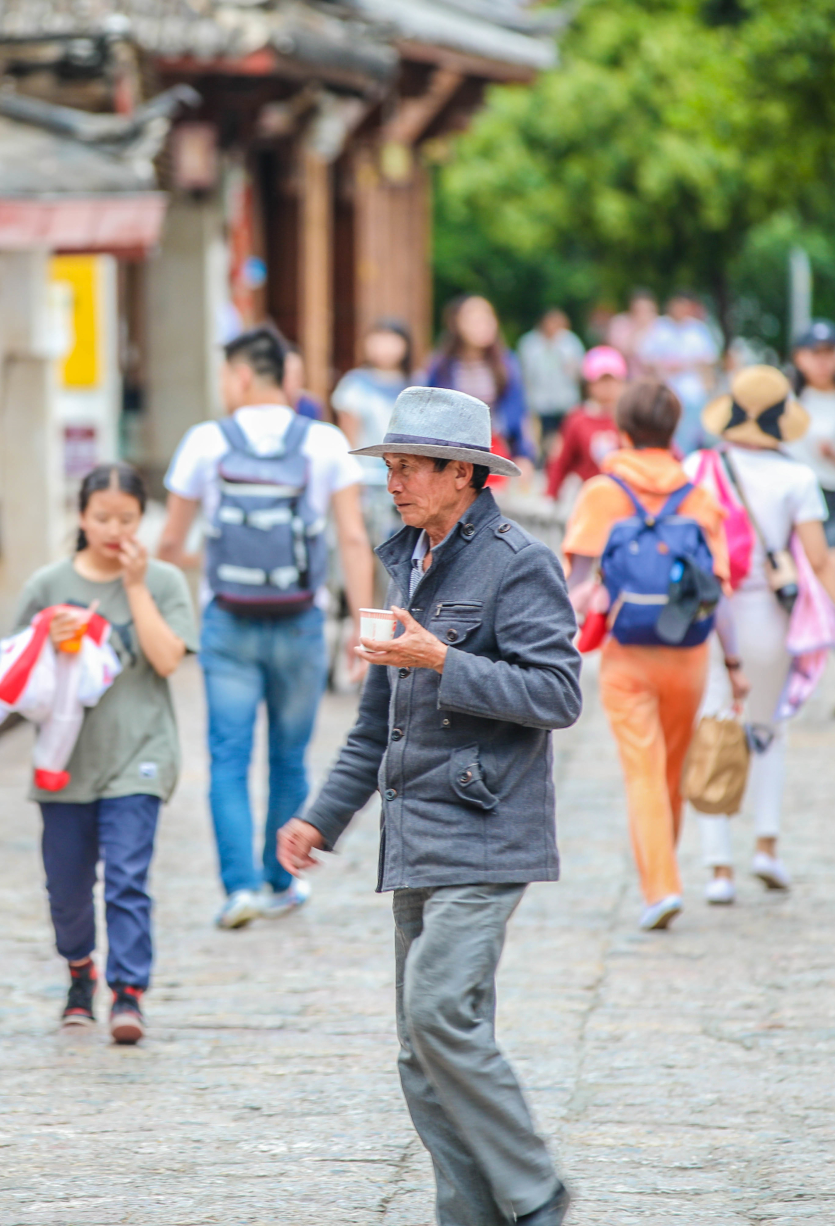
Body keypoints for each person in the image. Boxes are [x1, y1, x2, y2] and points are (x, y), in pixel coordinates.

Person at [278, 385, 579, 1226]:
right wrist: (320, 817)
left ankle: (535, 1192)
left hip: (490, 827)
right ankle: (473, 1215)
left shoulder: (520, 560)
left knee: (438, 1010)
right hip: (415, 833)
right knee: (421, 1051)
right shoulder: (406, 555)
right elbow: (378, 719)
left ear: (463, 475)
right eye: (390, 466)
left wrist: (444, 658)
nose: (394, 481)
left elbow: (557, 694)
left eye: (409, 467)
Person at [159, 326, 374, 930]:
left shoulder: (205, 441)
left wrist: (215, 563)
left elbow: (171, 544)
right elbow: (352, 538)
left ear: (243, 376)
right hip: (301, 620)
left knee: (227, 757)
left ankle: (240, 890)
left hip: (228, 620)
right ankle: (282, 881)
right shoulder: (326, 442)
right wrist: (361, 624)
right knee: (289, 757)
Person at [16, 464, 198, 1046]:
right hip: (63, 761)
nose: (114, 528)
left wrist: (137, 587)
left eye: (126, 518)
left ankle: (127, 993)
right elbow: (16, 677)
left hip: (141, 753)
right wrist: (50, 635)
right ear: (80, 516)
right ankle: (78, 974)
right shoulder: (47, 585)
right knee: (66, 888)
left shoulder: (164, 581)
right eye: (102, 518)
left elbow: (168, 659)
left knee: (126, 877)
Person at [686, 367, 835, 903]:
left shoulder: (699, 466)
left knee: (712, 725)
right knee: (767, 731)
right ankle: (766, 846)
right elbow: (819, 560)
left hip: (708, 613)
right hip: (769, 617)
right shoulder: (798, 478)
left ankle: (719, 869)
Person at [562, 380, 732, 931]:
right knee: (672, 770)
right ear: (674, 431)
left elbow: (578, 580)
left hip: (628, 654)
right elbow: (719, 586)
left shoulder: (602, 492)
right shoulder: (700, 497)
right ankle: (665, 874)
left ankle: (660, 887)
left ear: (624, 431)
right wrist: (735, 663)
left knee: (642, 771)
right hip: (688, 652)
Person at [332, 318, 418, 548]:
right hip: (368, 478)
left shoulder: (415, 384)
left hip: (409, 476)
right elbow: (348, 436)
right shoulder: (355, 384)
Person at [424, 294, 536, 469]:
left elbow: (518, 414)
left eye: (487, 318)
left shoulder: (506, 364)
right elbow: (429, 413)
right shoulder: (442, 366)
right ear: (457, 323)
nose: (483, 325)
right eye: (474, 319)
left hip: (495, 448)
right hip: (451, 451)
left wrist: (523, 455)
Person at [786, 322, 835, 599]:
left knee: (833, 563)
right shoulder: (788, 399)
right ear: (800, 358)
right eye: (816, 353)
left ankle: (834, 627)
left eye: (829, 353)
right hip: (793, 492)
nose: (823, 362)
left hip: (831, 494)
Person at [639, 292, 724, 454]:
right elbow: (646, 357)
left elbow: (709, 361)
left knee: (691, 435)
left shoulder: (697, 329)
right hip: (666, 391)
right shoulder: (659, 327)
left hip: (692, 394)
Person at [544, 345, 627, 500]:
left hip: (625, 499)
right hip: (587, 498)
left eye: (613, 380)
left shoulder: (631, 418)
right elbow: (561, 462)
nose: (608, 386)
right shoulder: (577, 419)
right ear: (589, 384)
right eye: (602, 380)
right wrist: (550, 496)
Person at [516, 308, 586, 456]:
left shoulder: (570, 342)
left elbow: (580, 372)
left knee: (566, 434)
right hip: (539, 400)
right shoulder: (529, 344)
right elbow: (524, 374)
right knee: (543, 435)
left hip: (566, 400)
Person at [606, 288, 660, 376]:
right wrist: (638, 329)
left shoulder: (660, 325)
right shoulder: (620, 323)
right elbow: (617, 353)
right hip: (626, 376)